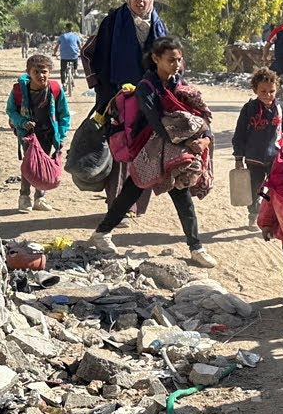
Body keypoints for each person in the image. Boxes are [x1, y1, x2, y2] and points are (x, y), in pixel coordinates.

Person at [88, 37, 219, 269]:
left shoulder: (178, 84)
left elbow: (197, 115)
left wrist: (205, 139)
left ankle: (196, 246)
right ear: (156, 59)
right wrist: (186, 143)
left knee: (180, 194)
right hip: (150, 148)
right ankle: (102, 233)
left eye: (179, 60)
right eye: (171, 60)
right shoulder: (146, 87)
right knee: (132, 192)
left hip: (174, 147)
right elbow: (156, 122)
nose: (176, 64)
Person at [81, 0, 168, 220]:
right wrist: (100, 87)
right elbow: (88, 52)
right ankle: (115, 205)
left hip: (148, 99)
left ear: (151, 0)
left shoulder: (159, 27)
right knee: (120, 150)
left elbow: (170, 60)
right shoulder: (112, 22)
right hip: (117, 98)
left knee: (145, 150)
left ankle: (134, 206)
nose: (140, 0)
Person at [233, 68, 283, 231]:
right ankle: (253, 214)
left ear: (277, 89)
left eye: (272, 91)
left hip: (275, 157)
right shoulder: (249, 109)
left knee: (277, 188)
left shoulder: (282, 108)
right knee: (255, 189)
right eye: (263, 91)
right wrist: (238, 158)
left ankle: (275, 216)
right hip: (254, 158)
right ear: (255, 90)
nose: (268, 95)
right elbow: (240, 134)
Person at [6, 54, 71, 213]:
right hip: (28, 134)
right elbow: (11, 110)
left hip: (49, 134)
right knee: (29, 164)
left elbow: (64, 115)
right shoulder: (19, 90)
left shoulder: (55, 90)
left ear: (49, 72)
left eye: (44, 72)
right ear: (29, 72)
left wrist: (61, 135)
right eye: (36, 72)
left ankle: (40, 198)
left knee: (43, 165)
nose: (40, 76)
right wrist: (22, 122)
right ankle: (24, 197)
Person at [54, 22, 83, 89]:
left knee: (63, 70)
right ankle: (75, 71)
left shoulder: (62, 36)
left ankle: (63, 83)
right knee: (75, 57)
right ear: (72, 28)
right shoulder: (76, 36)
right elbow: (80, 46)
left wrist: (54, 53)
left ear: (66, 28)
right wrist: (81, 53)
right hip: (73, 55)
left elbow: (56, 47)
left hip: (64, 56)